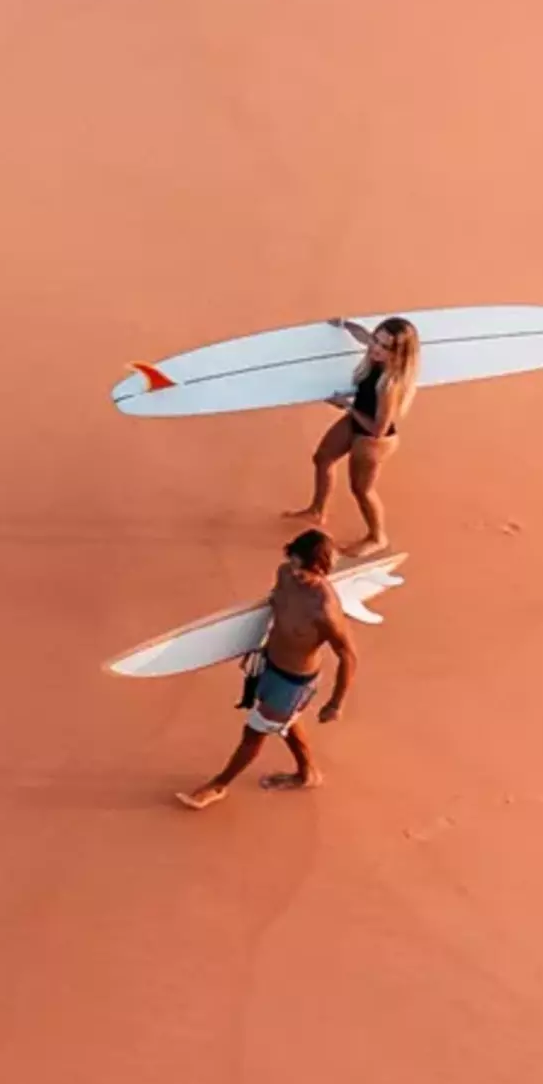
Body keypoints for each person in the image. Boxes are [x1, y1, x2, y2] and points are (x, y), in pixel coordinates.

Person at [175, 529, 357, 806]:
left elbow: (348, 656)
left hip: (294, 682)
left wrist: (336, 703)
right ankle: (308, 773)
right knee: (287, 720)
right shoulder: (285, 574)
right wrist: (252, 645)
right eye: (293, 564)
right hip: (269, 665)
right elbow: (271, 610)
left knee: (254, 732)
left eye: (303, 571)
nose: (295, 574)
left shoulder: (325, 610)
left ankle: (218, 785)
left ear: (320, 569)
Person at [294, 312, 420, 551]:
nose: (376, 348)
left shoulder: (389, 384)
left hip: (372, 440)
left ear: (397, 354)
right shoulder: (376, 356)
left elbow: (378, 429)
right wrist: (345, 325)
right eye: (376, 340)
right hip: (356, 420)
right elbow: (364, 336)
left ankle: (377, 537)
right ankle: (317, 511)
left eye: (385, 346)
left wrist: (347, 406)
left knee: (361, 490)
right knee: (323, 458)